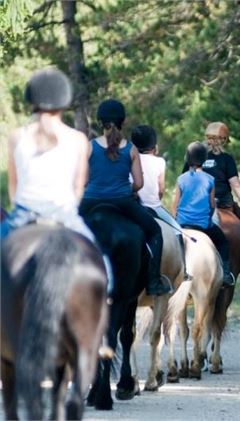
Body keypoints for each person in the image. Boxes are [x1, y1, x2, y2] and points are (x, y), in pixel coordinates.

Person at [78, 99, 171, 296]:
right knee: (154, 232)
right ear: (123, 122)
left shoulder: (89, 146)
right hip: (123, 202)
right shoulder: (131, 149)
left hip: (91, 201)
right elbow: (138, 184)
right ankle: (153, 281)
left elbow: (82, 179)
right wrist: (121, 188)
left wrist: (97, 186)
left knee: (65, 230)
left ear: (100, 122)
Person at [1, 67, 93, 242]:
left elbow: (14, 188)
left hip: (24, 215)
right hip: (64, 215)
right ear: (64, 101)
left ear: (32, 101)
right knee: (102, 262)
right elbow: (78, 190)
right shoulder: (78, 140)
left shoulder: (17, 137)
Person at [183, 121, 240, 284]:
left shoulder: (193, 156)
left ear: (207, 137)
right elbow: (235, 184)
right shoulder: (226, 159)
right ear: (224, 140)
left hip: (197, 206)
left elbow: (185, 182)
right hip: (224, 205)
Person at [130, 124, 191, 280]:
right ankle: (183, 271)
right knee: (178, 230)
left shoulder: (129, 158)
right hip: (153, 207)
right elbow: (161, 189)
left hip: (133, 206)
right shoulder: (159, 162)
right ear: (154, 146)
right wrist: (156, 198)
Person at [174, 141, 235, 286]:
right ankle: (226, 274)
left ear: (187, 159)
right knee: (222, 242)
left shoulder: (181, 179)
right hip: (203, 224)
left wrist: (177, 219)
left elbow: (175, 204)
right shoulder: (210, 179)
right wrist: (207, 217)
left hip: (183, 223)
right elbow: (212, 205)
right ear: (204, 159)